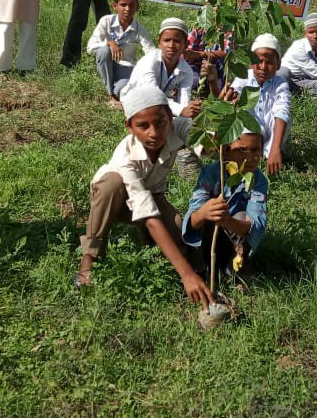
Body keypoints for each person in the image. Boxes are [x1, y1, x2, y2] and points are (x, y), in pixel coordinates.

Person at [74, 86, 214, 307]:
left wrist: (222, 119)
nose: (154, 132)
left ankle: (149, 245)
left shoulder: (178, 128)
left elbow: (209, 145)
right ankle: (88, 260)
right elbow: (149, 215)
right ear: (129, 127)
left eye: (160, 122)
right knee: (112, 183)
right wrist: (186, 275)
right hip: (115, 200)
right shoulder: (125, 157)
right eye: (143, 126)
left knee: (179, 230)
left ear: (171, 117)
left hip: (151, 195)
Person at [182, 130, 268, 277]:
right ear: (225, 152)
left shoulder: (258, 181)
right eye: (242, 150)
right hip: (208, 239)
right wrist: (204, 213)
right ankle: (203, 267)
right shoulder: (210, 174)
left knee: (242, 215)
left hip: (236, 236)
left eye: (255, 150)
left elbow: (256, 223)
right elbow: (193, 219)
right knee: (208, 213)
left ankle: (237, 265)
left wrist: (227, 220)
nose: (250, 158)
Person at [222, 33, 290, 176]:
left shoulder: (280, 83)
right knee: (239, 114)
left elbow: (282, 111)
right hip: (248, 135)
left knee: (285, 119)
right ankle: (243, 153)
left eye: (269, 62)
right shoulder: (243, 77)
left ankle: (268, 153)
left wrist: (275, 149)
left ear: (278, 65)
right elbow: (230, 97)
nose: (263, 67)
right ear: (251, 62)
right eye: (258, 61)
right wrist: (231, 98)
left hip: (268, 135)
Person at [86, 0, 154, 107]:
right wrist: (109, 42)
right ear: (115, 6)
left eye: (131, 5)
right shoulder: (106, 21)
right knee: (104, 51)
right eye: (123, 5)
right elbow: (90, 47)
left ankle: (116, 91)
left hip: (126, 67)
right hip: (107, 64)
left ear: (137, 7)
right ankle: (110, 93)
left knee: (122, 90)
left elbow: (151, 53)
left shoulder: (139, 29)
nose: (127, 9)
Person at [120, 17, 200, 119]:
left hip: (162, 103)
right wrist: (181, 110)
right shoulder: (150, 61)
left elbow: (184, 99)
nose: (171, 45)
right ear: (159, 43)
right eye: (166, 40)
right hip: (138, 100)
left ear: (186, 45)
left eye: (177, 41)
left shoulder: (186, 70)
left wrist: (188, 111)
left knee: (182, 123)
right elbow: (151, 94)